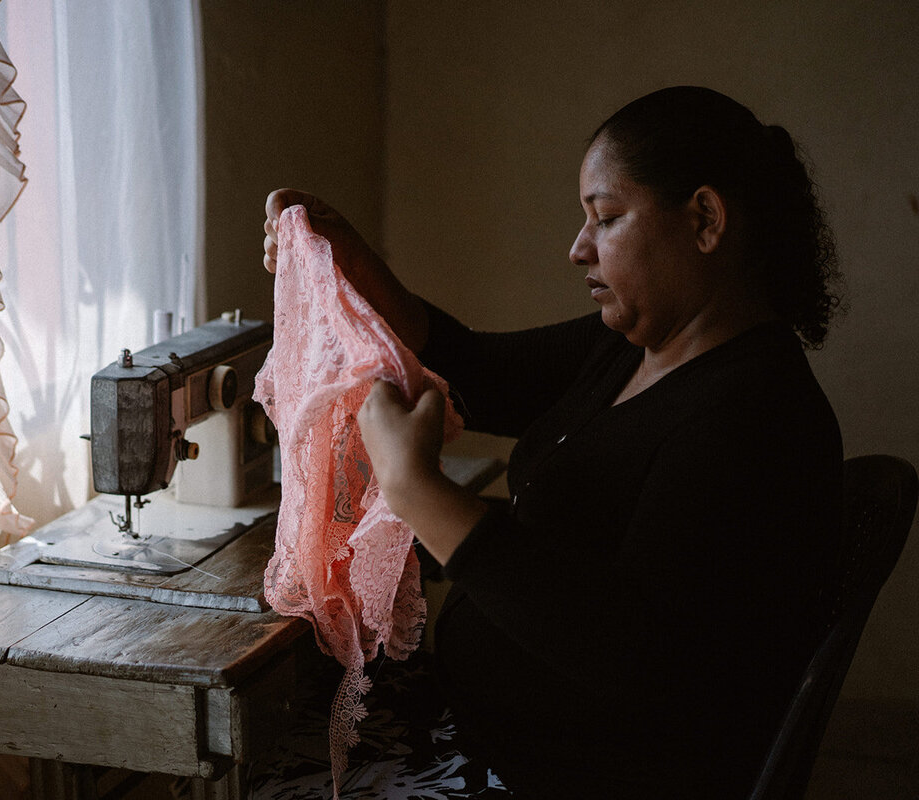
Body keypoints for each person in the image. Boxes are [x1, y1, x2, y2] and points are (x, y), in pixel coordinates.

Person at [260, 86, 844, 799]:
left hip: (578, 777)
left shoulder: (759, 418)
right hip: (506, 739)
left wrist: (418, 493)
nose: (578, 248)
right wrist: (348, 258)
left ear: (705, 219)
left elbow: (632, 653)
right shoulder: (632, 348)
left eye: (606, 218)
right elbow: (470, 365)